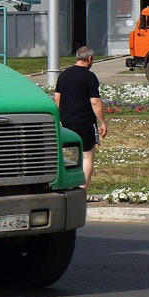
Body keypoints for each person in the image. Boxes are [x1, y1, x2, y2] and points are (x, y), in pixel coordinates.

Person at [52, 46, 107, 198]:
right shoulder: (90, 77)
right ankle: (82, 192)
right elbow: (95, 102)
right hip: (85, 122)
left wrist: (59, 119)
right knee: (87, 156)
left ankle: (68, 188)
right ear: (89, 59)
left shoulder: (63, 75)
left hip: (66, 122)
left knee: (69, 156)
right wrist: (102, 122)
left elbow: (57, 99)